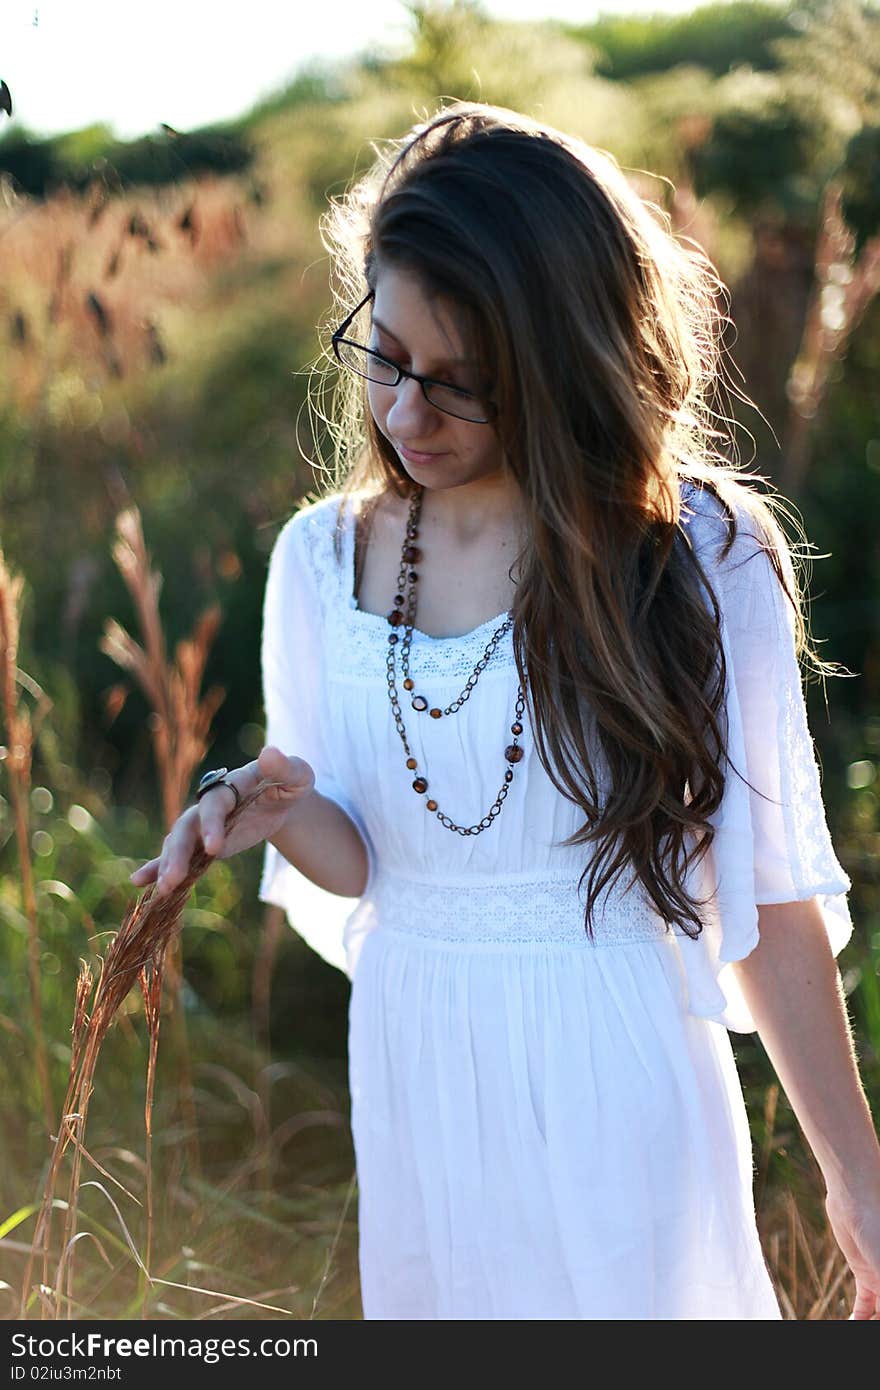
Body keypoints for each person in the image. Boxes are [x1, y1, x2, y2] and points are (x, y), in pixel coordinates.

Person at [130, 102, 880, 1320]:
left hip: (615, 1079)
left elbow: (770, 898)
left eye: (462, 384)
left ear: (562, 358)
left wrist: (858, 1179)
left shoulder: (697, 556)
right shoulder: (319, 561)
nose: (407, 415)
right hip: (420, 1071)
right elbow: (362, 849)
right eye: (385, 358)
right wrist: (253, 807)